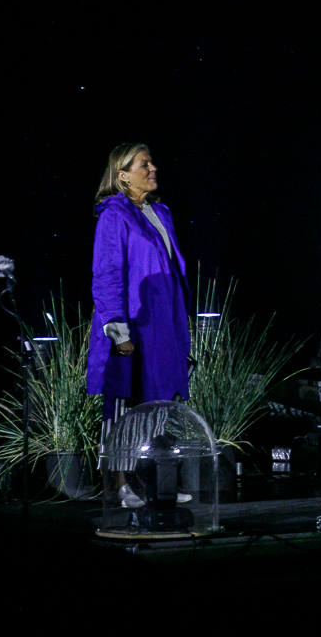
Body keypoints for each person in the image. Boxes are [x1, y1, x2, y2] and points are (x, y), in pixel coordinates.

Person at [88, 144, 192, 508]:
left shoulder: (158, 212)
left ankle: (149, 484)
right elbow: (107, 275)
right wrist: (118, 331)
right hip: (132, 325)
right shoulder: (114, 216)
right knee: (124, 403)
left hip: (163, 324)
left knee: (158, 402)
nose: (152, 168)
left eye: (151, 162)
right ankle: (119, 485)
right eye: (143, 164)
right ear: (122, 175)